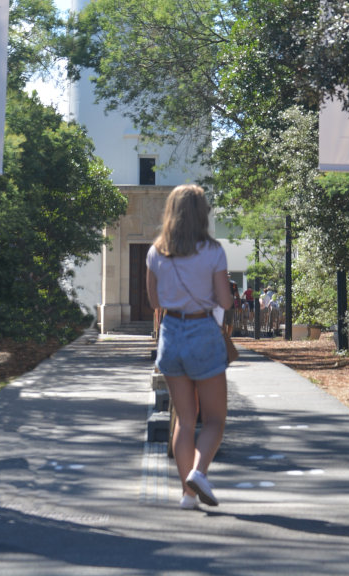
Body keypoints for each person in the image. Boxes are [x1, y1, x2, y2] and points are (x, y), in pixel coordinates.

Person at [146, 184, 233, 510]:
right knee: (213, 420)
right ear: (201, 214)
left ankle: (188, 496)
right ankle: (198, 472)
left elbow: (154, 301)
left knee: (183, 419)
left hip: (171, 332)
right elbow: (225, 300)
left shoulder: (156, 252)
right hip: (201, 332)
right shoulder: (212, 251)